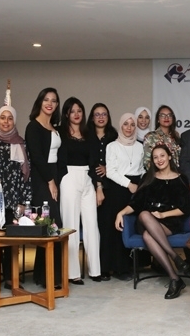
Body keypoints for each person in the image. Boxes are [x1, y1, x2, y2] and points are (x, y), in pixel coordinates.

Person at [115, 144, 190, 299]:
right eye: (155, 157)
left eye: (162, 156)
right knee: (144, 214)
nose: (159, 160)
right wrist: (121, 213)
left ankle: (175, 279)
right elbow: (136, 203)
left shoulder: (181, 178)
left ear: (169, 157)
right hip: (147, 221)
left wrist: (164, 216)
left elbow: (186, 208)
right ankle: (175, 257)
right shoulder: (148, 178)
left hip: (170, 222)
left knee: (148, 237)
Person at [0, 105, 31, 290]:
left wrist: (23, 202)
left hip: (13, 199)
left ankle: (11, 277)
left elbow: (27, 175)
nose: (6, 121)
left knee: (11, 242)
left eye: (10, 118)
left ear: (14, 121)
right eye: (2, 117)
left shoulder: (21, 143)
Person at [57, 97, 102, 284]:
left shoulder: (89, 133)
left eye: (80, 111)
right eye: (73, 111)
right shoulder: (60, 132)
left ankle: (95, 270)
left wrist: (98, 186)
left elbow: (94, 162)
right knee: (70, 225)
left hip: (87, 179)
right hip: (68, 177)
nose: (77, 114)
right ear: (67, 113)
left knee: (92, 225)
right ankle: (72, 273)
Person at [25, 88, 63, 288]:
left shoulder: (54, 127)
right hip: (42, 179)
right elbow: (37, 157)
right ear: (40, 102)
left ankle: (42, 275)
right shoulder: (33, 126)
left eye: (54, 100)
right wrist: (50, 181)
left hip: (54, 176)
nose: (50, 103)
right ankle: (51, 278)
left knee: (50, 226)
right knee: (51, 225)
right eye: (46, 99)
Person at [100, 113, 144, 281]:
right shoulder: (112, 146)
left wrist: (140, 186)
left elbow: (143, 169)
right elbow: (110, 171)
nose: (129, 127)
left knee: (130, 227)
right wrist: (129, 184)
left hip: (136, 188)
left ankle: (126, 267)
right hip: (118, 189)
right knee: (115, 229)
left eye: (132, 124)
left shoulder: (140, 146)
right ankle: (112, 268)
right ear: (120, 125)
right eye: (125, 124)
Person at [87, 103, 117, 280]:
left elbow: (119, 160)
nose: (100, 117)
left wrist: (108, 168)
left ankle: (108, 266)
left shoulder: (114, 136)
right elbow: (87, 162)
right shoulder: (85, 136)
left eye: (104, 114)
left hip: (111, 186)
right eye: (97, 114)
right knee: (94, 228)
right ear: (92, 117)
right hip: (89, 185)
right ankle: (97, 268)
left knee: (108, 228)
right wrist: (98, 185)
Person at [142, 105, 182, 171]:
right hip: (158, 177)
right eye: (163, 115)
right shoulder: (150, 136)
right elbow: (147, 162)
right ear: (158, 119)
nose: (166, 118)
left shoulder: (176, 136)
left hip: (176, 176)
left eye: (169, 115)